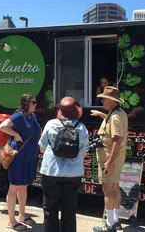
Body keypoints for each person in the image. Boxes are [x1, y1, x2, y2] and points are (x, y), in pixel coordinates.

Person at [38, 96, 89, 232]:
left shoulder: (51, 124)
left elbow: (42, 148)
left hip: (51, 172)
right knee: (69, 211)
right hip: (73, 174)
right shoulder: (82, 128)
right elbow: (84, 153)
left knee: (50, 210)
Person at [0, 93, 41, 231]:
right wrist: (15, 134)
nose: (35, 104)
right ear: (26, 104)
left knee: (24, 186)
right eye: (33, 102)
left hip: (29, 156)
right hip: (19, 156)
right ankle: (11, 220)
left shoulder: (32, 116)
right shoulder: (18, 116)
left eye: (35, 102)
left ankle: (22, 215)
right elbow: (2, 126)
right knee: (14, 186)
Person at [91, 86, 128, 232]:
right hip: (115, 157)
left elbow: (116, 140)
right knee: (115, 187)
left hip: (109, 157)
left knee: (108, 189)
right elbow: (111, 122)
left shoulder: (115, 117)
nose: (101, 101)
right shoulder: (117, 113)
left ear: (111, 101)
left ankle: (109, 224)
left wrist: (110, 162)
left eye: (104, 99)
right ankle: (116, 220)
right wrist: (101, 114)